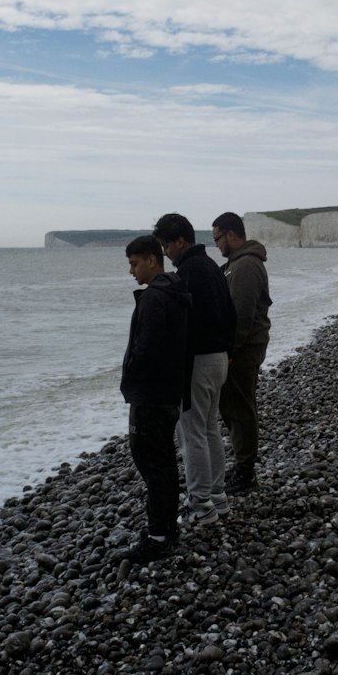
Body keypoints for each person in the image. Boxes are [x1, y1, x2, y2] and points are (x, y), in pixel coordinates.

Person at [153, 213, 237, 527]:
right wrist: (228, 350)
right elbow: (231, 313)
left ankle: (200, 505)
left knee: (192, 434)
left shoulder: (188, 273)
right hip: (218, 358)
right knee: (210, 429)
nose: (165, 252)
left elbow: (183, 327)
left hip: (198, 361)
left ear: (181, 241)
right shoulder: (213, 268)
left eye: (166, 245)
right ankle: (217, 497)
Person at [119, 234, 190, 565]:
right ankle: (166, 530)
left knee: (151, 461)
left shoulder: (154, 298)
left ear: (151, 259)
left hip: (151, 395)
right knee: (163, 462)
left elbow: (145, 349)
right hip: (171, 391)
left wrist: (131, 378)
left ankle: (158, 536)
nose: (132, 271)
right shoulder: (176, 291)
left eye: (134, 264)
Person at [211, 211, 271, 495]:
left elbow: (242, 314)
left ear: (231, 235)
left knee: (239, 407)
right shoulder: (239, 263)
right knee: (237, 406)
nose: (217, 246)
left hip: (244, 350)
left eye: (217, 239)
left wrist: (231, 351)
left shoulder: (245, 265)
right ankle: (243, 466)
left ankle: (246, 472)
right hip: (245, 347)